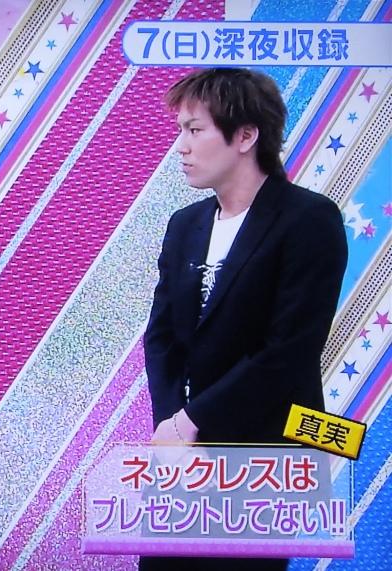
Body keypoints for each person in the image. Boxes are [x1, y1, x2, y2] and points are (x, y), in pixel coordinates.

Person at [141, 68, 348, 570]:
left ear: (246, 136)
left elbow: (289, 351)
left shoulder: (308, 219)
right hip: (184, 458)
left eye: (195, 130)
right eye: (180, 131)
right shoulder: (185, 224)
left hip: (263, 458)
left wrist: (192, 420)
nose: (181, 147)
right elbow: (162, 337)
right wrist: (171, 425)